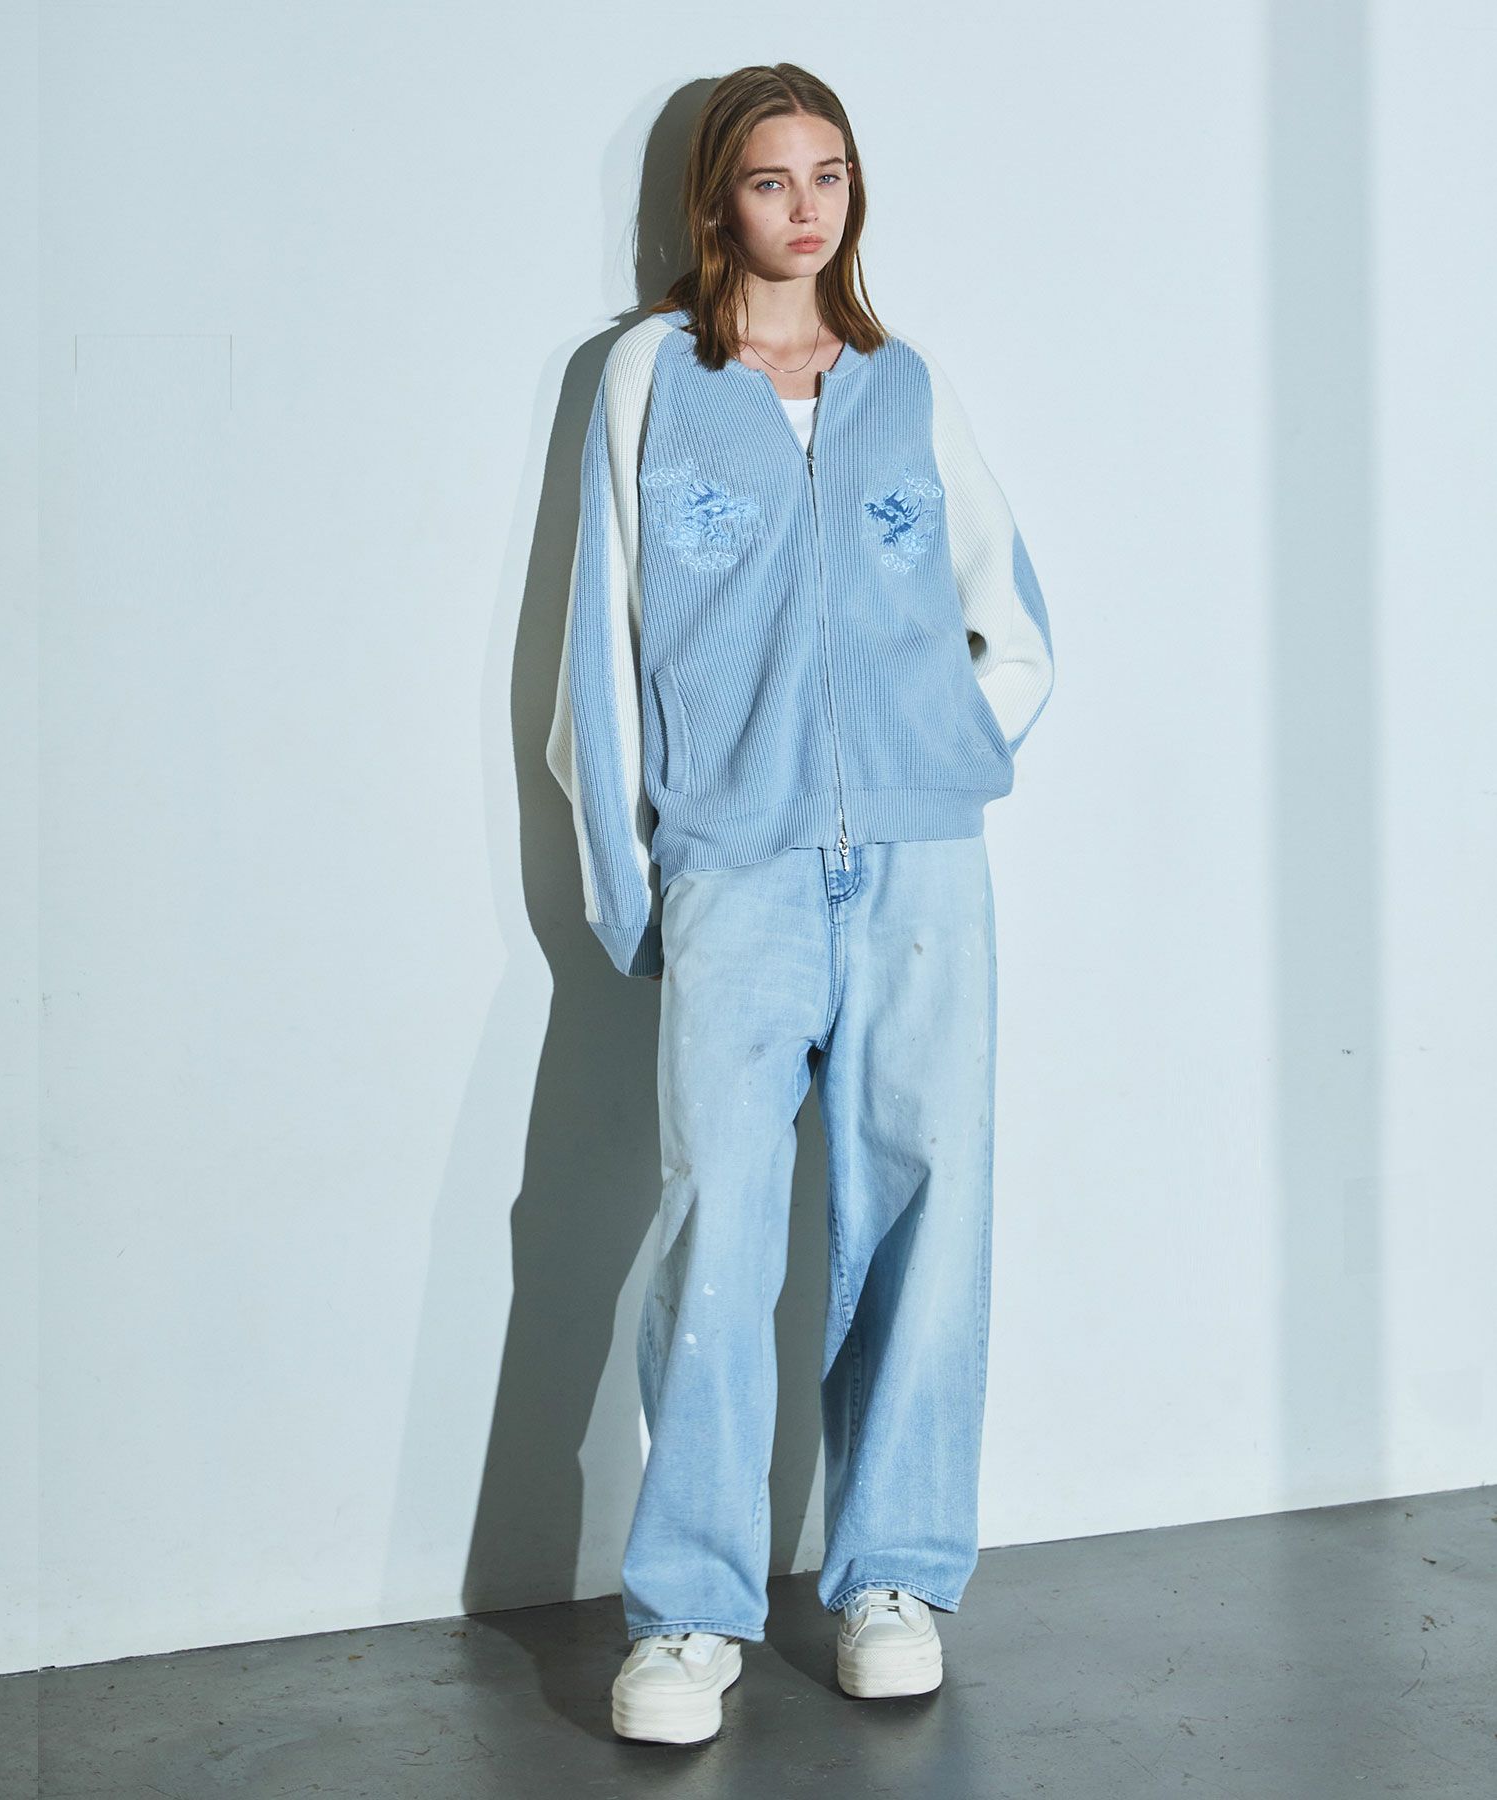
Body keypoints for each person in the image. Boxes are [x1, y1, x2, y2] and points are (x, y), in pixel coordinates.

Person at [545, 61, 1056, 1746]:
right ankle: (688, 1613)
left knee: (928, 1204)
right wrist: (641, 882)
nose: (806, 207)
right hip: (740, 865)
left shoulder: (905, 385)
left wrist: (937, 756)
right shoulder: (649, 377)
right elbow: (601, 646)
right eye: (772, 179)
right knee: (720, 1218)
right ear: (721, 200)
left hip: (922, 867)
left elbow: (1013, 622)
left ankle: (891, 1576)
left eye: (830, 174)